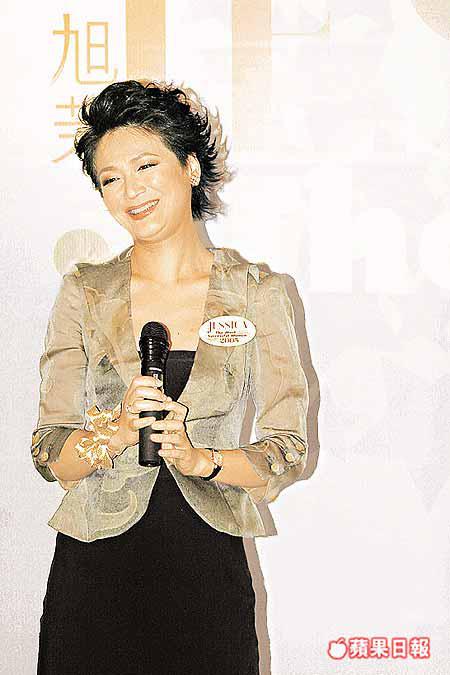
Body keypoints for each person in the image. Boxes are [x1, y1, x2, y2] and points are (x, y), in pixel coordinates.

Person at [32, 79, 309, 674]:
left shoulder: (257, 293)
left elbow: (287, 449)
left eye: (145, 166)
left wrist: (203, 459)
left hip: (206, 569)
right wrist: (116, 431)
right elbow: (51, 454)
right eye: (110, 178)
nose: (130, 190)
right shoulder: (84, 292)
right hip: (95, 575)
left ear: (190, 167)